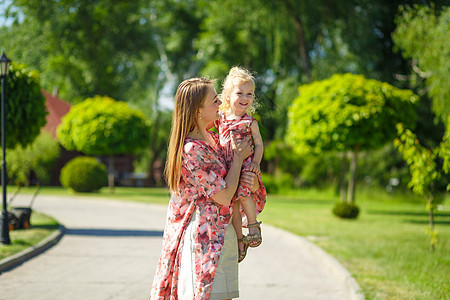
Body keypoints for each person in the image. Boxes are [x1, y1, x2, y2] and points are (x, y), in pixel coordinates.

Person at [150, 78, 266, 300]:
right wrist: (239, 159)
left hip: (222, 234)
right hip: (205, 241)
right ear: (197, 111)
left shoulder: (214, 139)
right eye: (214, 100)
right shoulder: (191, 150)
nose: (221, 102)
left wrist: (251, 180)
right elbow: (223, 196)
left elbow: (234, 185)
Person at [215, 67, 266, 263]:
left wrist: (255, 163)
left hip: (245, 167)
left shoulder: (250, 122)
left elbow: (259, 144)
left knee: (244, 195)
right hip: (227, 168)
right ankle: (239, 239)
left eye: (249, 94)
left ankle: (253, 225)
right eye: (240, 93)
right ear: (228, 95)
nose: (245, 97)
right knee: (232, 205)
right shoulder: (220, 119)